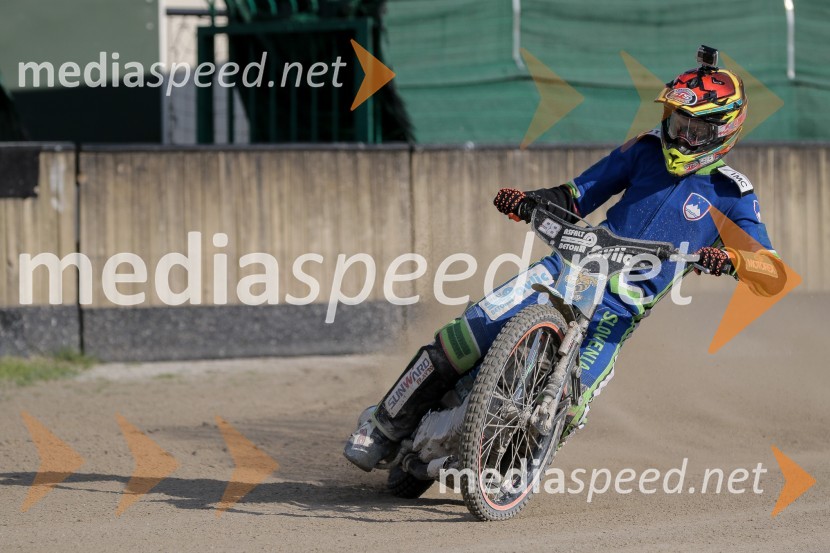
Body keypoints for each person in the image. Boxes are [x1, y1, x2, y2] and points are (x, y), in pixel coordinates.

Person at [343, 46, 786, 472]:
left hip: (618, 311)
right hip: (571, 266)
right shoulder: (645, 148)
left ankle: (509, 467)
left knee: (571, 405)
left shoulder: (733, 193)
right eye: (676, 121)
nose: (681, 134)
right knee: (467, 333)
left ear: (723, 131)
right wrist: (531, 201)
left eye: (695, 129)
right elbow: (578, 195)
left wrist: (730, 260)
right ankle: (382, 425)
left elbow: (773, 272)